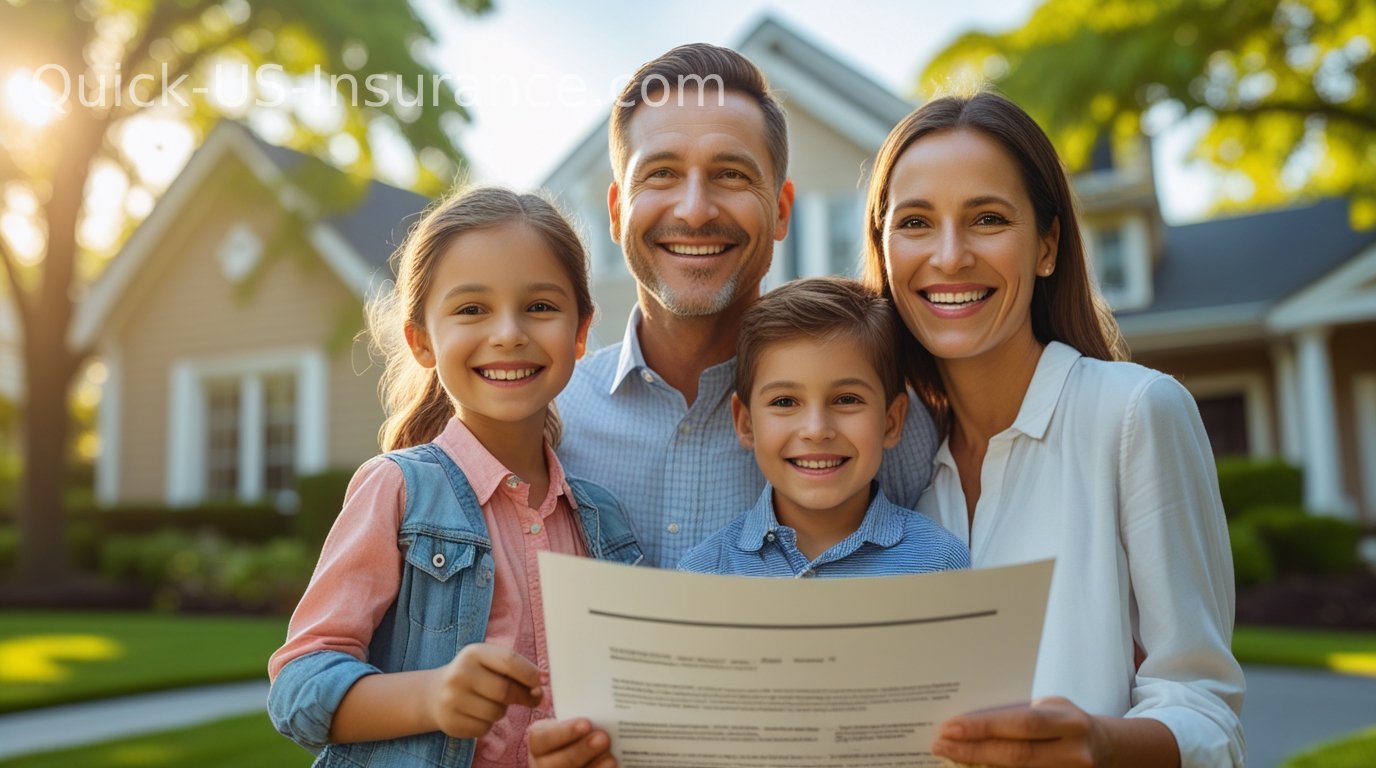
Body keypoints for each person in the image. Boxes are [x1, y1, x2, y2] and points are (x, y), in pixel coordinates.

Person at [860, 91, 1245, 767]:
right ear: (884, 251)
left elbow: (1206, 709)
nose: (949, 257)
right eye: (915, 222)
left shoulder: (1134, 414)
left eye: (987, 218)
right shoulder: (891, 460)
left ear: (1046, 245)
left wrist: (1101, 743)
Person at [266, 186, 642, 768]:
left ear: (581, 331)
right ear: (421, 340)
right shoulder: (396, 489)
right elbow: (298, 687)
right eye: (472, 309)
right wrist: (431, 697)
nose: (509, 333)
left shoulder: (604, 522)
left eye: (540, 306)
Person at [555, 42, 939, 571]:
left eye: (731, 174)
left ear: (781, 211)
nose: (693, 211)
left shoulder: (890, 423)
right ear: (618, 212)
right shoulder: (550, 418)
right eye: (661, 173)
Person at [679, 276, 969, 577]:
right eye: (784, 402)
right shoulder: (704, 573)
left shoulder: (940, 563)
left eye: (846, 399)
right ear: (746, 423)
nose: (816, 430)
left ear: (891, 422)